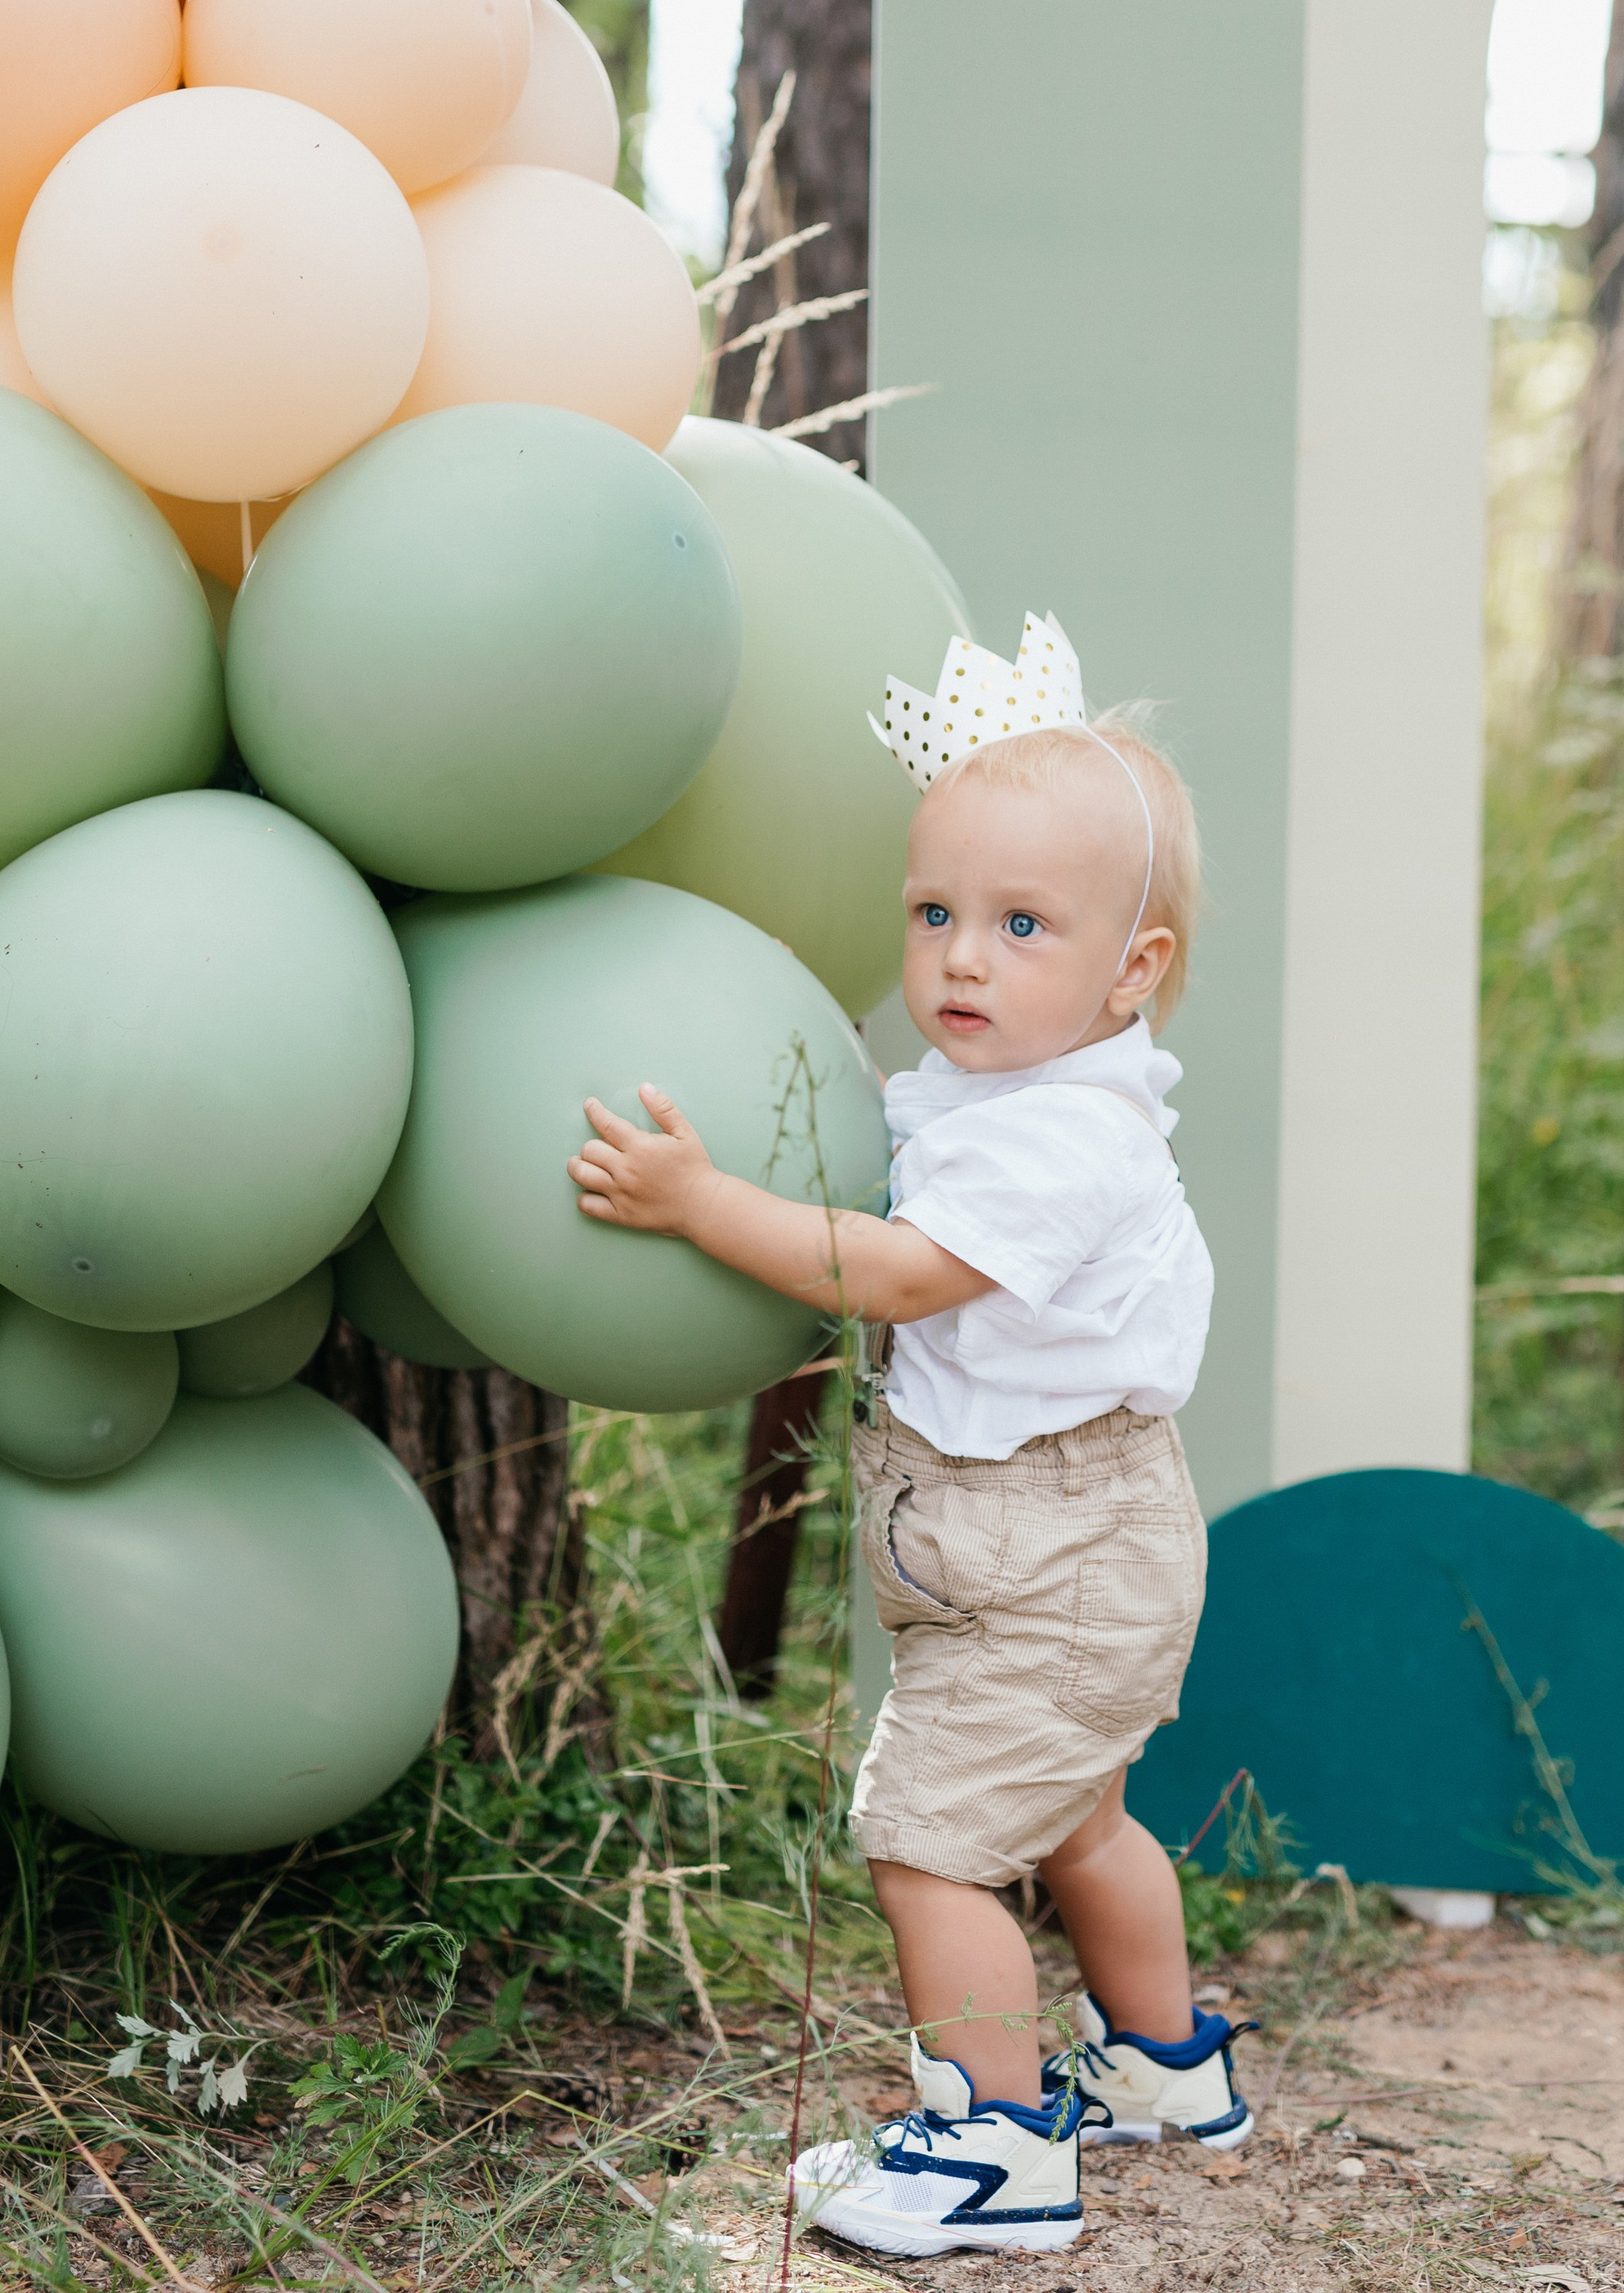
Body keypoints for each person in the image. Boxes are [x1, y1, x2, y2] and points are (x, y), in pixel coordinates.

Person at [567, 617, 1251, 2257]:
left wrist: (701, 1202)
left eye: (1022, 926)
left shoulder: (1066, 1137)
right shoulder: (994, 1094)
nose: (959, 958)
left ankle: (998, 2146)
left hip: (1057, 1551)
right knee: (1079, 1819)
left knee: (930, 1847)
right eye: (935, 913)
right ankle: (1164, 2074)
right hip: (1055, 1546)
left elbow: (898, 1271)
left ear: (1129, 970)